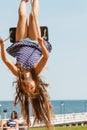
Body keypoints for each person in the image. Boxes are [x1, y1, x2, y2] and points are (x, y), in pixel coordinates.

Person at [0, 0, 54, 129]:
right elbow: (46, 57)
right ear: (36, 84)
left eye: (25, 89)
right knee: (32, 16)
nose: (27, 86)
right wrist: (41, 44)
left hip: (21, 41)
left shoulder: (18, 73)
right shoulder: (36, 70)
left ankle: (23, 0)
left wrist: (2, 46)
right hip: (35, 42)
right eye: (31, 88)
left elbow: (6, 61)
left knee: (23, 16)